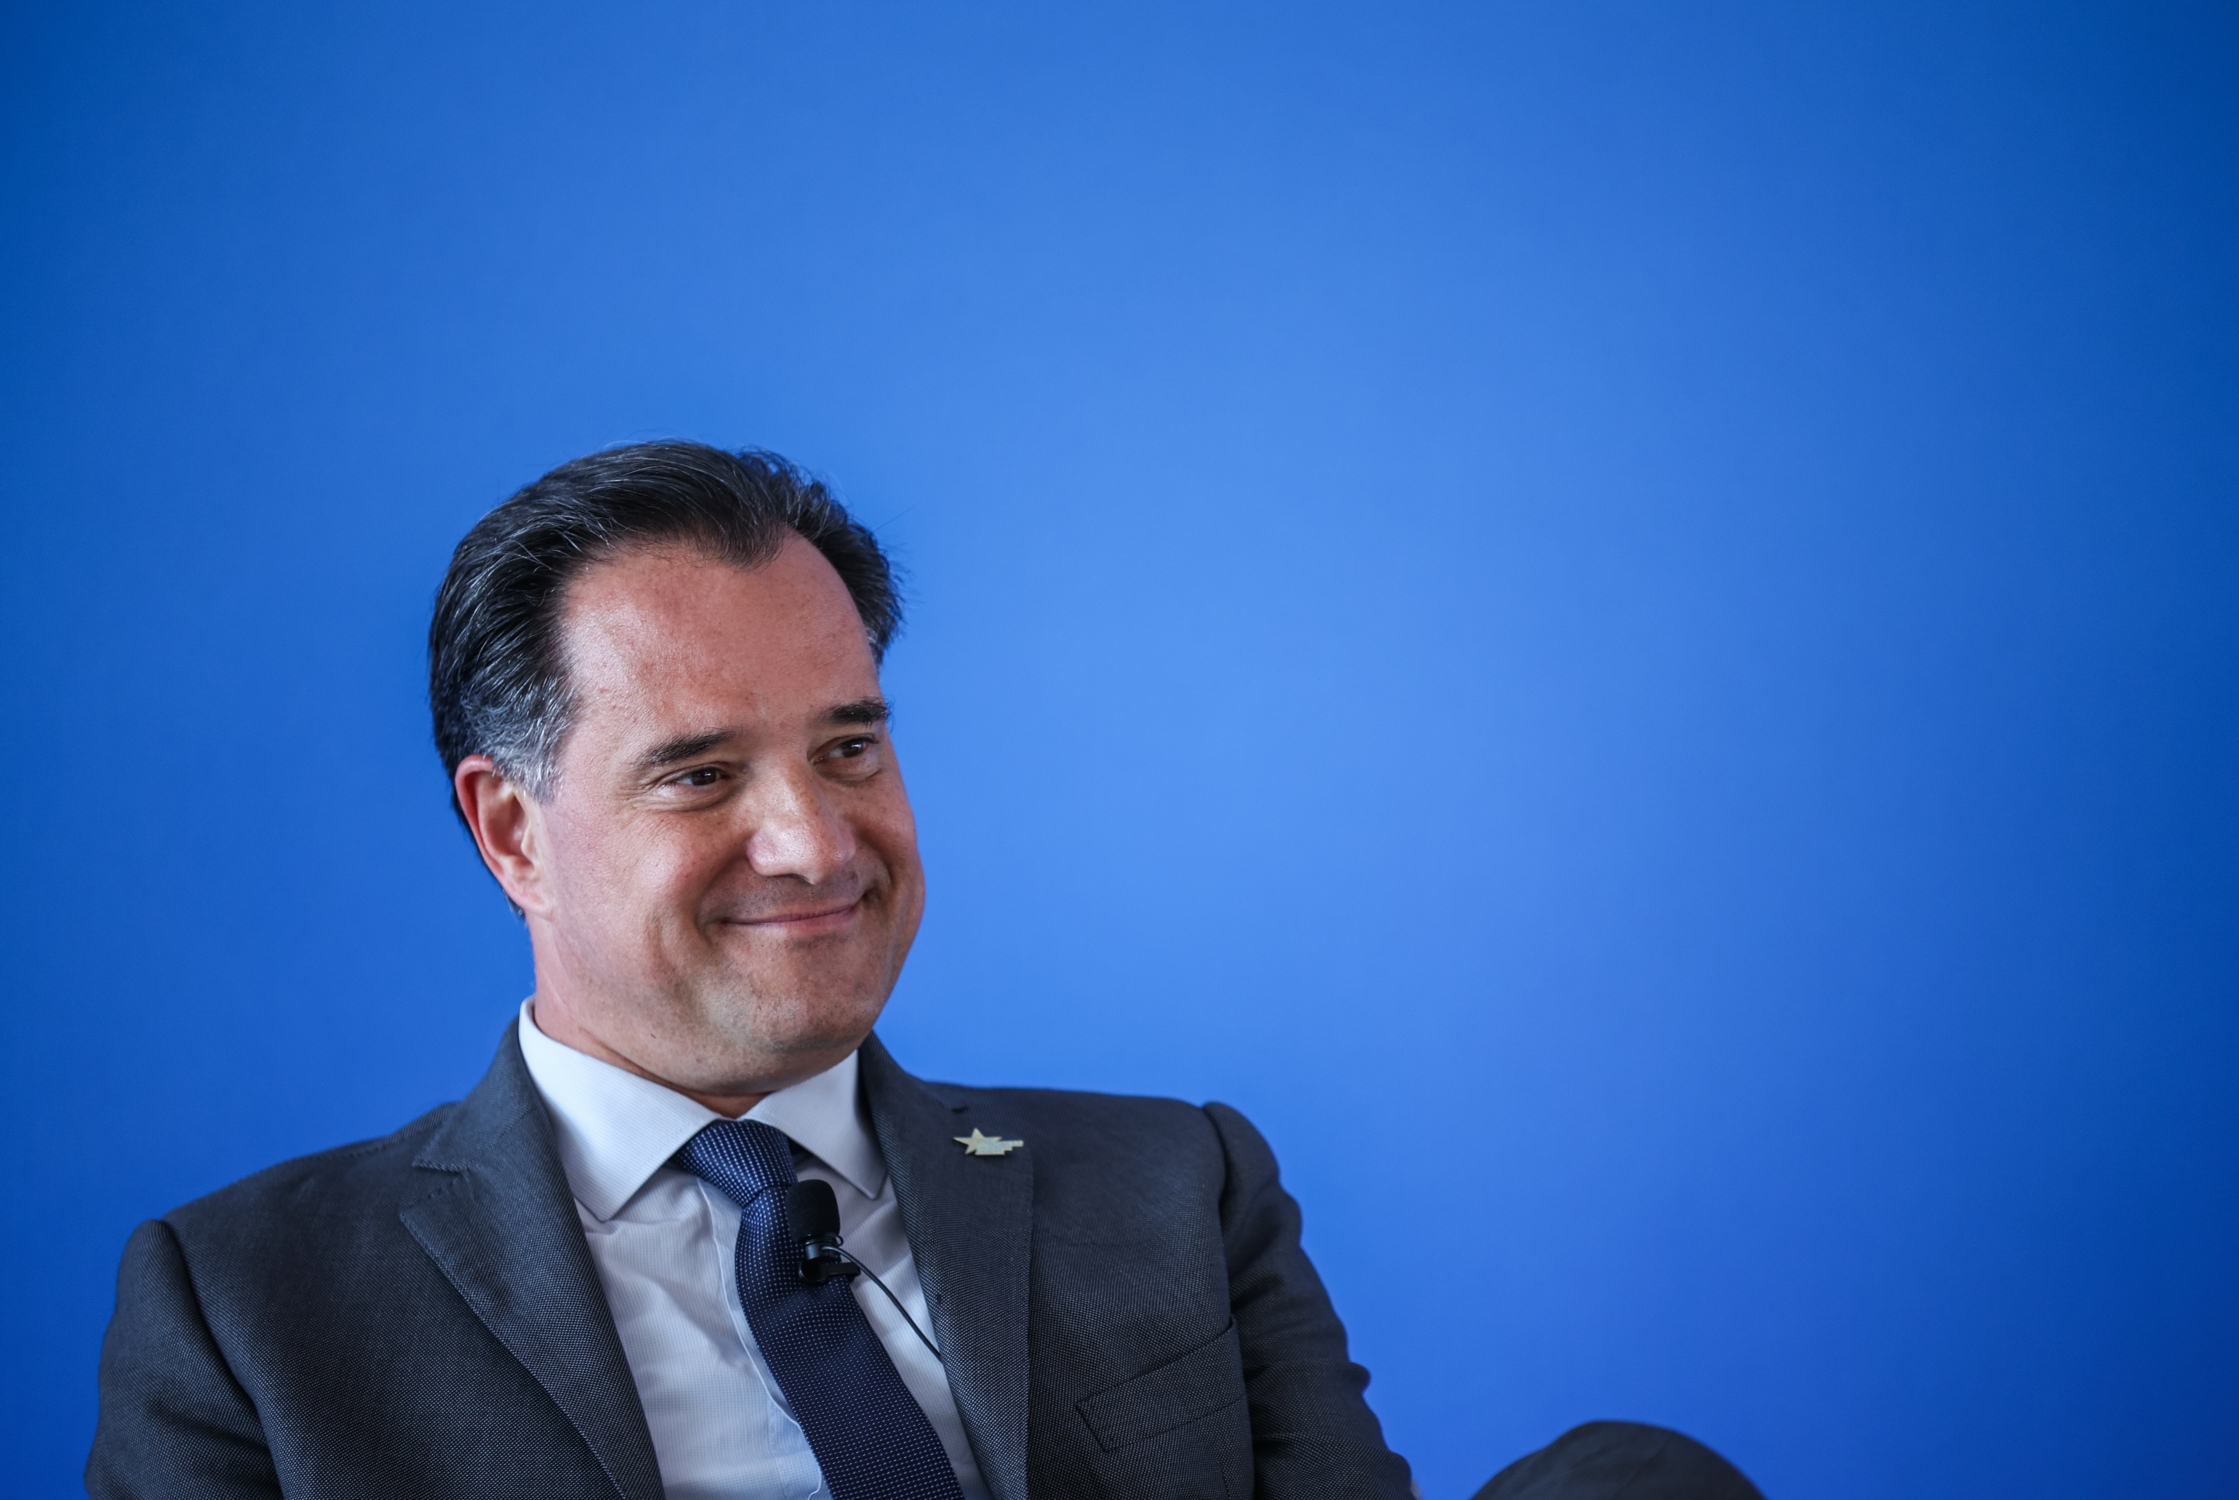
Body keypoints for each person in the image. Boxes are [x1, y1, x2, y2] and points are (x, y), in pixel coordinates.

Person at [87, 442, 1760, 1500]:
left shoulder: (1176, 1187)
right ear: (511, 831)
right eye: (699, 774)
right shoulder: (247, 1313)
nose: (814, 843)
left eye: (849, 747)